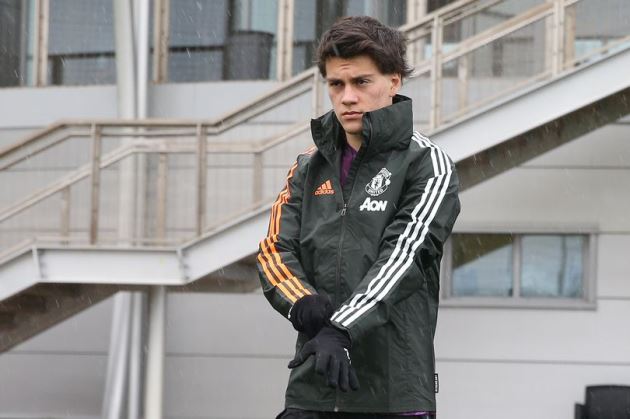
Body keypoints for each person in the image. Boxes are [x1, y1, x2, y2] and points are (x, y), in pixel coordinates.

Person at [257, 15, 460, 419]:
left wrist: (341, 328)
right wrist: (302, 303)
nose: (348, 97)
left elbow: (404, 258)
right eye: (336, 84)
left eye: (361, 82)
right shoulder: (307, 167)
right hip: (313, 390)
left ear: (394, 81)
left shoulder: (428, 164)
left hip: (394, 395)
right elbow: (274, 251)